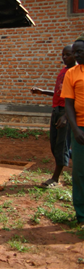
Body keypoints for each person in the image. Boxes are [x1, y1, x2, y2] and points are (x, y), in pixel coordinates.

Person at [31, 45, 75, 188]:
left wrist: (67, 117)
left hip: (65, 112)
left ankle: (55, 179)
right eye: (63, 54)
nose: (64, 57)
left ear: (75, 55)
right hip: (56, 110)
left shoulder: (76, 73)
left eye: (67, 54)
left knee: (61, 146)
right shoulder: (63, 71)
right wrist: (43, 92)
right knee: (55, 144)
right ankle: (76, 159)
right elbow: (60, 93)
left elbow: (76, 98)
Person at [61, 36, 84, 225]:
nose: (76, 56)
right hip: (80, 128)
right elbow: (68, 102)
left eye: (79, 51)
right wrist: (75, 129)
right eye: (74, 52)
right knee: (79, 172)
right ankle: (81, 214)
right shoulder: (72, 73)